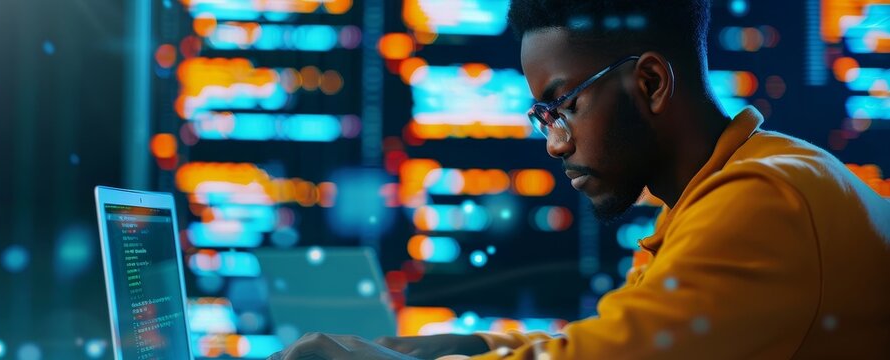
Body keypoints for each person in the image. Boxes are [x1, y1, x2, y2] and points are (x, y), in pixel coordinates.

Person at [266, 0, 890, 358]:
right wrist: (472, 346)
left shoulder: (762, 202)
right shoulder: (733, 185)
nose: (556, 143)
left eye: (563, 107)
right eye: (542, 117)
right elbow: (621, 342)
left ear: (649, 83)